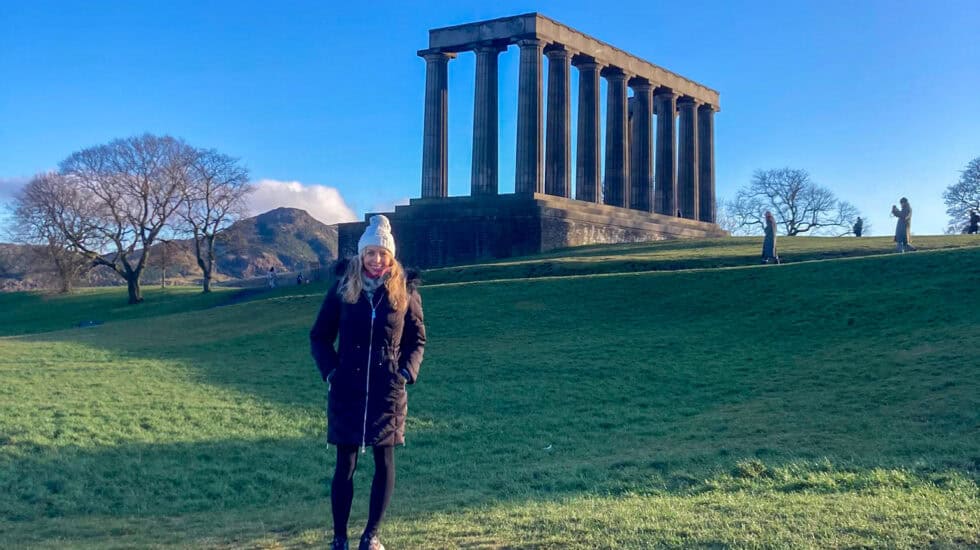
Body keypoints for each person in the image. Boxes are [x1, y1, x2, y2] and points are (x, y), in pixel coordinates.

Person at [310, 215, 425, 550]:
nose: (376, 259)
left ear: (391, 256)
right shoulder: (344, 286)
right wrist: (332, 371)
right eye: (370, 252)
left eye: (382, 253)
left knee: (384, 461)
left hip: (387, 390)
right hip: (348, 387)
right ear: (362, 254)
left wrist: (405, 372)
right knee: (345, 464)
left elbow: (417, 340)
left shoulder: (405, 290)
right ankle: (339, 537)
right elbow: (319, 336)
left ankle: (371, 535)